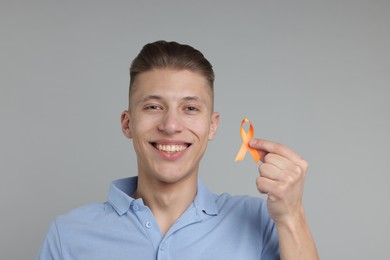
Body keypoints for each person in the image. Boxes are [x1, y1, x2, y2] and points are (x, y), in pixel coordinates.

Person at [37, 40, 319, 259]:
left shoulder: (263, 222)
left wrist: (293, 215)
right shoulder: (68, 235)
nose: (171, 125)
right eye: (153, 107)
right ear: (127, 123)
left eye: (190, 108)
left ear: (211, 126)